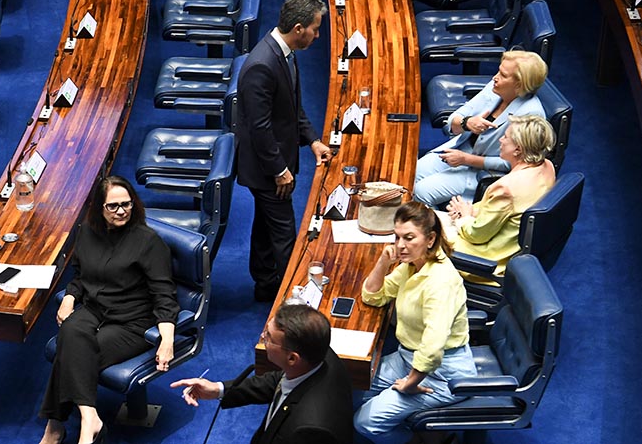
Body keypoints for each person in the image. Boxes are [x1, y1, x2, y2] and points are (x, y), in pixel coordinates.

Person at [38, 175, 179, 444]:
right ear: (99, 208)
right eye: (112, 206)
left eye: (126, 204)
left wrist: (168, 340)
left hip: (132, 321)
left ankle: (55, 429)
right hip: (94, 309)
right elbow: (81, 275)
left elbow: (164, 295)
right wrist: (69, 298)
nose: (121, 211)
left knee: (73, 351)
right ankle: (90, 417)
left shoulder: (149, 242)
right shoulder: (87, 232)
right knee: (70, 329)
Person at [235, 0, 332, 301]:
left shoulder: (285, 54)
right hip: (267, 169)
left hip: (276, 162)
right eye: (316, 29)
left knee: (266, 225)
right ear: (299, 28)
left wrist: (313, 140)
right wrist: (279, 171)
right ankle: (293, 300)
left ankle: (265, 285)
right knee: (285, 235)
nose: (318, 36)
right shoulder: (262, 65)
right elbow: (259, 126)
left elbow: (291, 107)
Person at [354, 202, 475, 444]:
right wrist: (383, 263)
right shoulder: (414, 265)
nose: (400, 245)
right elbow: (374, 297)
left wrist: (411, 383)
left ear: (430, 239)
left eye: (409, 238)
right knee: (352, 387)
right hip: (407, 357)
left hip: (441, 374)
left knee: (365, 421)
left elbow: (432, 346)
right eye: (396, 237)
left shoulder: (440, 281)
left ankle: (423, 441)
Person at [170, 304, 354, 444]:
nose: (262, 337)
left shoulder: (310, 430)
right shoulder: (317, 352)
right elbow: (279, 381)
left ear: (292, 358)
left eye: (269, 337)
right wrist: (218, 389)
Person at [414, 50, 549, 206]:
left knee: (421, 192)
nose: (494, 77)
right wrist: (467, 123)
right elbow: (454, 119)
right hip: (460, 148)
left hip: (481, 171)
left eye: (503, 75)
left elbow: (516, 164)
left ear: (520, 84)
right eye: (499, 70)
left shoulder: (531, 114)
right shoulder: (495, 87)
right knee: (410, 176)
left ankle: (435, 228)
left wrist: (466, 159)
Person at [446, 115, 556, 282]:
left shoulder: (506, 188)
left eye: (505, 137)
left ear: (518, 149)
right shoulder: (547, 166)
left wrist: (465, 217)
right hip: (511, 245)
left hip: (487, 258)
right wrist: (467, 211)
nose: (501, 140)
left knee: (423, 235)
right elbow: (504, 212)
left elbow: (476, 235)